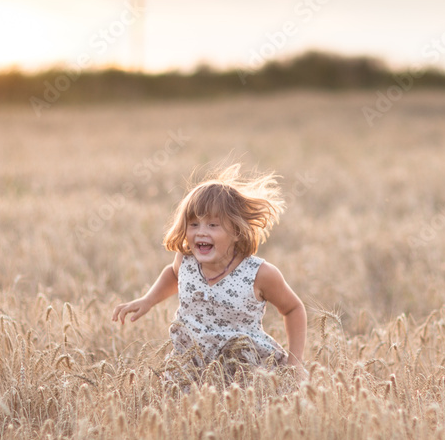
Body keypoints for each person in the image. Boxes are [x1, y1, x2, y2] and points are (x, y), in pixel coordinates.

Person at [112, 164, 306, 387]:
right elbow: (174, 275)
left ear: (236, 231)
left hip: (243, 371)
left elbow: (293, 308)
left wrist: (295, 362)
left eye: (213, 225)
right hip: (190, 366)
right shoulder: (185, 261)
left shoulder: (259, 274)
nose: (201, 232)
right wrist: (148, 300)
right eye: (193, 224)